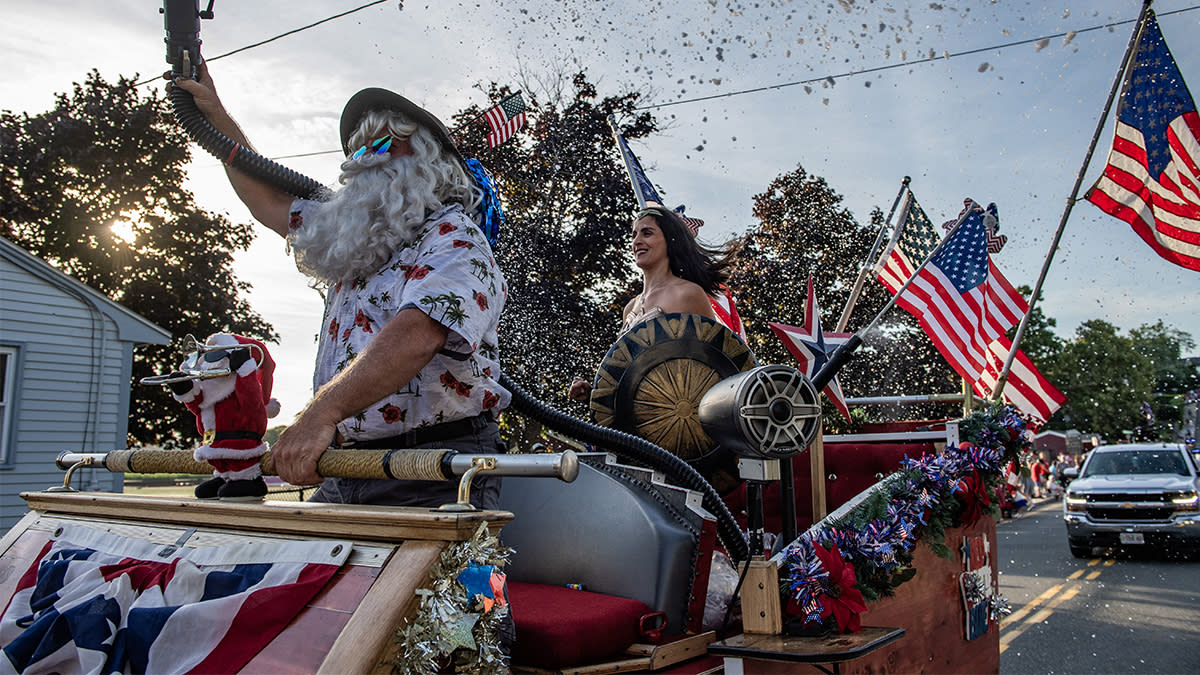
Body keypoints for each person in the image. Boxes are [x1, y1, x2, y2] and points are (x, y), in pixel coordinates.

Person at [173, 65, 510, 509]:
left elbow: (417, 335)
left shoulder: (454, 238)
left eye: (383, 143)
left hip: (434, 471)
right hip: (346, 465)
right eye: (356, 150)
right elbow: (267, 197)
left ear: (426, 159)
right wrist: (215, 115)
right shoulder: (347, 242)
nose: (363, 159)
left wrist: (321, 414)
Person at [568, 204, 732, 402]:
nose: (637, 241)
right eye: (634, 234)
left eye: (647, 233)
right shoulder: (630, 309)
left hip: (680, 418)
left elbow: (718, 365)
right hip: (632, 425)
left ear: (670, 241)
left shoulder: (688, 294)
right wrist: (593, 392)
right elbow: (627, 373)